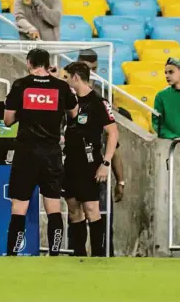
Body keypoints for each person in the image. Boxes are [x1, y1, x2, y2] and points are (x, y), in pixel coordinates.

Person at [4, 48, 78, 256]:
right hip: (52, 153)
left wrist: (25, 112)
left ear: (29, 63)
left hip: (26, 153)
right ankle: (54, 253)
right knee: (53, 205)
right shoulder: (61, 87)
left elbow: (8, 120)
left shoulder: (21, 85)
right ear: (47, 64)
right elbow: (74, 113)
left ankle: (12, 253)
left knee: (19, 206)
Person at [62, 62, 119, 257]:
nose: (66, 81)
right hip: (69, 162)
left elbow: (113, 133)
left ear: (76, 77)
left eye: (67, 77)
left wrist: (106, 163)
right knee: (73, 209)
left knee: (91, 208)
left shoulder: (99, 102)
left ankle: (98, 256)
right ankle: (78, 256)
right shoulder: (68, 101)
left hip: (89, 162)